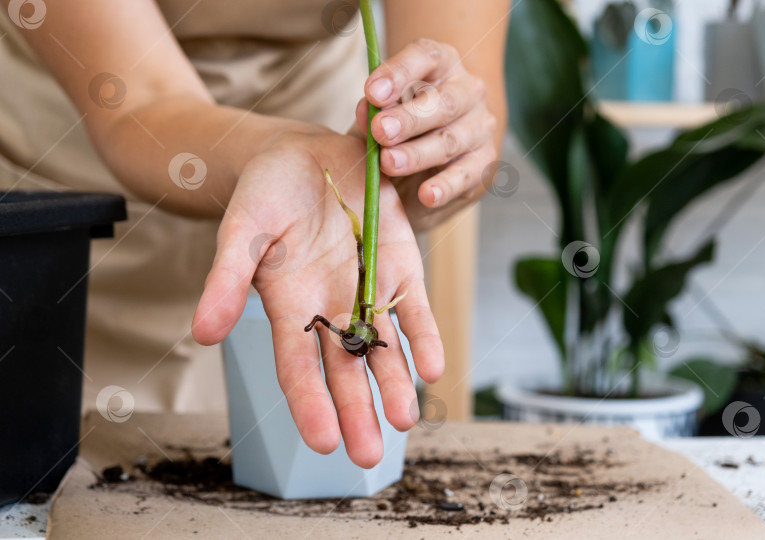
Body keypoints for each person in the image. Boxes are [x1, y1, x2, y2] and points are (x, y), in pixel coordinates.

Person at [0, 0, 509, 468]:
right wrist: (276, 151)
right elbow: (142, 102)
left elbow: (464, 88)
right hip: (80, 197)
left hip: (318, 218)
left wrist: (430, 148)